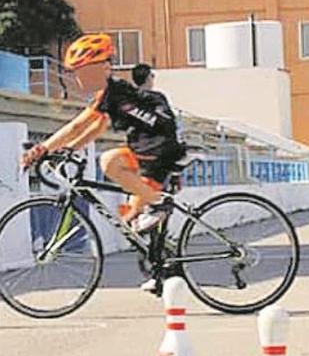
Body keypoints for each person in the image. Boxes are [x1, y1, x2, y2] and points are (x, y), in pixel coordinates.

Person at [20, 34, 185, 232]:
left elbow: (77, 126)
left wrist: (41, 149)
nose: (77, 78)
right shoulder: (115, 93)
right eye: (76, 73)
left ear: (104, 68)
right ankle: (162, 247)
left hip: (155, 152)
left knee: (109, 161)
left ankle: (157, 203)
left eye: (82, 72)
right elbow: (99, 126)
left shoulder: (112, 93)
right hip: (156, 151)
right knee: (131, 218)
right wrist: (69, 148)